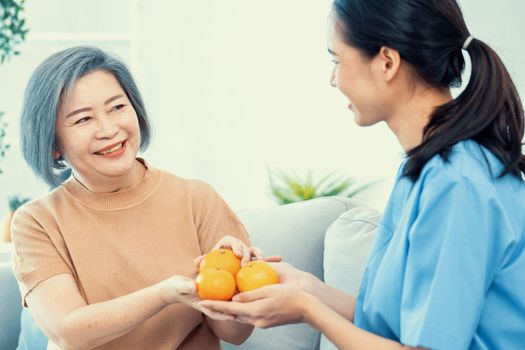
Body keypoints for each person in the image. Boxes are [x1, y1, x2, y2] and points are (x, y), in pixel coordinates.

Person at [199, 0, 525, 349]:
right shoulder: (426, 168)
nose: (332, 79)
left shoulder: (458, 182)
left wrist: (309, 310)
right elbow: (394, 323)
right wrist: (306, 289)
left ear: (387, 62)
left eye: (336, 60)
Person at [11, 46, 256, 350]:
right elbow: (68, 331)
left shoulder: (197, 199)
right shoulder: (37, 222)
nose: (109, 129)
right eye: (83, 119)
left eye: (117, 107)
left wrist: (236, 281)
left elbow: (236, 334)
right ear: (53, 144)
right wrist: (165, 294)